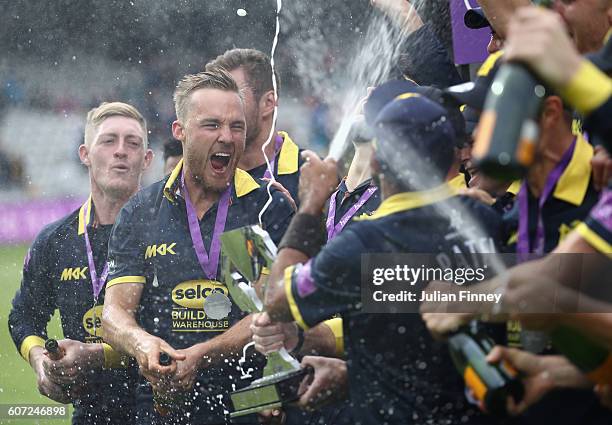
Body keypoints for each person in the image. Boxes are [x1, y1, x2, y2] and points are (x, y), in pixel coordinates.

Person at [262, 93, 502, 424]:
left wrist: (311, 204)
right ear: (452, 158)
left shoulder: (363, 245)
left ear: (375, 161)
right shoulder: (487, 221)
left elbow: (276, 300)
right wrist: (353, 375)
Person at [101, 69, 294, 425]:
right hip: (161, 402)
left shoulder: (269, 207)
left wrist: (203, 354)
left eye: (237, 127)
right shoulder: (142, 210)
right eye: (212, 125)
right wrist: (143, 345)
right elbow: (113, 316)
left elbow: (275, 312)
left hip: (249, 401)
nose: (227, 137)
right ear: (181, 131)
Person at [8, 102, 154, 424]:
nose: (120, 151)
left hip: (159, 412)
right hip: (89, 416)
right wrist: (40, 362)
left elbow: (177, 334)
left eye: (132, 143)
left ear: (146, 159)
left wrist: (94, 356)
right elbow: (23, 317)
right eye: (108, 141)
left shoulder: (165, 234)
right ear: (85, 154)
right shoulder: (55, 240)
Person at [205, 48, 303, 203]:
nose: (218, 109)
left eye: (233, 96)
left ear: (268, 103)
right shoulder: (204, 180)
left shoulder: (310, 176)